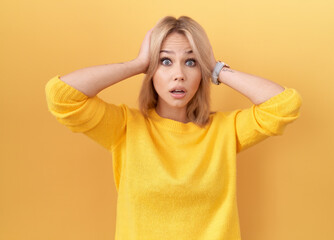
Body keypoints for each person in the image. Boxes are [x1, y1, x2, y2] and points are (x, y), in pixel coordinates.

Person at [45, 16, 302, 240]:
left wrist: (214, 67)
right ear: (152, 71)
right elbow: (61, 96)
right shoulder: (126, 128)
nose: (178, 74)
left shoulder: (224, 130)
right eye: (165, 61)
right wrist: (138, 64)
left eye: (190, 62)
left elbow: (284, 105)